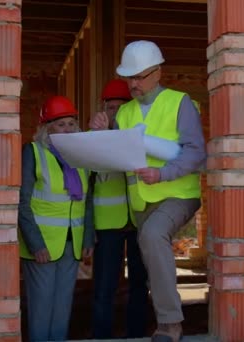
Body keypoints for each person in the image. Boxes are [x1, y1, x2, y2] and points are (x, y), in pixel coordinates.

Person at [90, 40, 206, 342]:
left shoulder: (180, 103)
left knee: (153, 235)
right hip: (141, 201)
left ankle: (170, 324)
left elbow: (196, 153)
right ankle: (155, 321)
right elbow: (115, 156)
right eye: (129, 77)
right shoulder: (125, 112)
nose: (133, 83)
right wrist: (101, 135)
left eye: (139, 76)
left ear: (157, 73)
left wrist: (163, 173)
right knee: (149, 252)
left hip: (178, 193)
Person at [18, 95, 95, 342]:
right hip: (42, 246)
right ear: (46, 128)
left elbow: (87, 200)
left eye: (71, 123)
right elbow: (22, 202)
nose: (67, 129)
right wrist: (35, 243)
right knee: (41, 309)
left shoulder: (81, 157)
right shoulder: (33, 153)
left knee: (63, 308)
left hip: (72, 244)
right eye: (60, 124)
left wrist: (88, 239)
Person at [91, 79, 149, 339]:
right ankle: (102, 335)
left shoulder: (142, 134)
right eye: (111, 107)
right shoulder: (94, 138)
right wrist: (100, 137)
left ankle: (136, 334)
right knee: (105, 286)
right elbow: (87, 176)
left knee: (140, 283)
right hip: (108, 225)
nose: (115, 112)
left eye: (120, 107)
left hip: (139, 220)